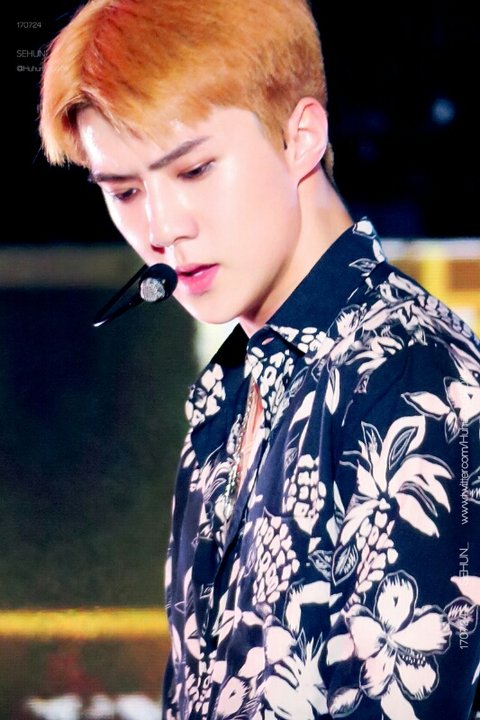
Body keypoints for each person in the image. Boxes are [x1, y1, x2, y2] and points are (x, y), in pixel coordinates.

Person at [39, 1, 480, 718]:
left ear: (300, 137)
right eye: (124, 191)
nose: (161, 228)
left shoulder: (414, 379)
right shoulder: (224, 400)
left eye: (195, 169)